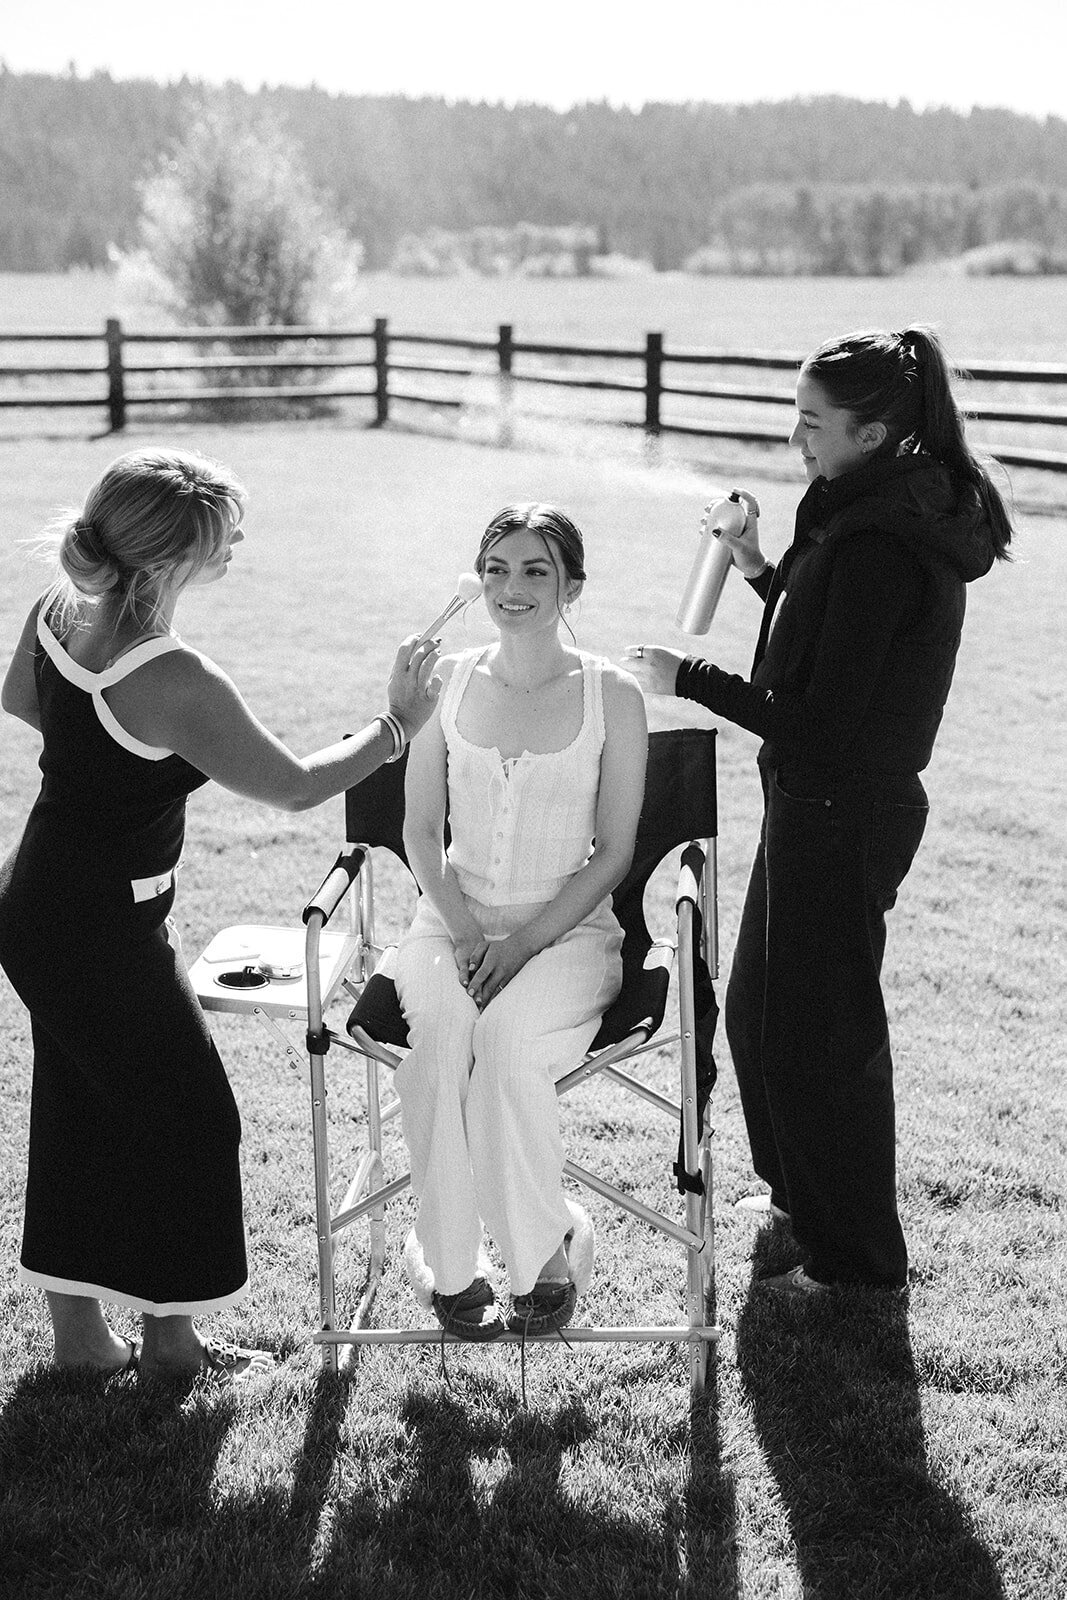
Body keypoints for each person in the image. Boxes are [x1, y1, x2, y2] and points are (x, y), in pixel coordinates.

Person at [0, 447, 439, 1381]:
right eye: (221, 531)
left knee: (77, 1107)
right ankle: (171, 1350)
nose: (238, 539)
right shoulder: (174, 675)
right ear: (167, 558)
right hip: (99, 928)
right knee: (192, 1121)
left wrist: (115, 771)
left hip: (36, 903)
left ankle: (83, 1342)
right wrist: (397, 723)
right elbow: (293, 786)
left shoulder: (58, 615)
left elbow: (20, 700)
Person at [625, 327, 1012, 1293]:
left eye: (811, 423)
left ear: (874, 431)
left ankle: (856, 1263)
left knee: (823, 1037)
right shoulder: (859, 506)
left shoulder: (884, 541)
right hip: (813, 801)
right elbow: (818, 629)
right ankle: (799, 1195)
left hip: (845, 806)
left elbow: (823, 722)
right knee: (759, 1008)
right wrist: (758, 567)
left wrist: (690, 678)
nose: (795, 438)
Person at [394, 503, 647, 1339]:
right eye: (497, 568)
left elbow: (613, 851)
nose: (512, 587)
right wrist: (467, 932)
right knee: (437, 1049)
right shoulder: (448, 682)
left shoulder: (613, 695)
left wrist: (523, 944)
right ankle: (452, 1267)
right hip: (450, 922)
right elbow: (420, 831)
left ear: (572, 585)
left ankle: (546, 1255)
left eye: (536, 570)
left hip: (566, 932)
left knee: (503, 1053)